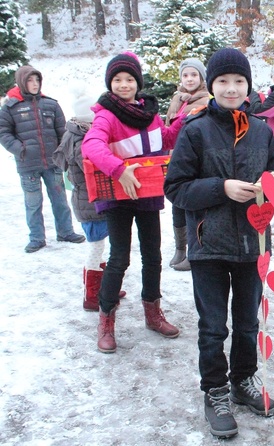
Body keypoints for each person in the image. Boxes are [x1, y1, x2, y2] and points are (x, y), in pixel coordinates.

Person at [164, 48, 274, 439]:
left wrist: (270, 187)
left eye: (239, 81)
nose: (232, 88)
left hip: (253, 244)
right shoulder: (194, 130)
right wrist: (222, 188)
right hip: (208, 245)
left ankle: (242, 380)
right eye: (223, 82)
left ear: (249, 86)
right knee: (214, 326)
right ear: (211, 86)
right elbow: (175, 188)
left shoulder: (263, 131)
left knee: (248, 323)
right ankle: (214, 390)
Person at [82, 52, 184, 353]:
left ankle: (153, 313)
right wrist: (119, 169)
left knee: (153, 256)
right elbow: (92, 145)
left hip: (148, 193)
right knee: (119, 258)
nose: (124, 85)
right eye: (117, 80)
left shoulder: (148, 113)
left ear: (137, 82)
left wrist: (184, 121)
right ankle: (106, 320)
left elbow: (163, 139)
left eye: (129, 79)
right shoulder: (106, 115)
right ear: (110, 83)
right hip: (118, 198)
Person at [53, 92, 127, 311]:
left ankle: (105, 287)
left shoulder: (75, 131)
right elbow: (94, 167)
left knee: (101, 246)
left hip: (90, 201)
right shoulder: (82, 138)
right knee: (96, 248)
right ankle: (92, 295)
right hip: (90, 203)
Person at [0, 65, 86, 253]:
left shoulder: (51, 104)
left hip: (52, 164)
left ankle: (65, 231)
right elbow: (4, 133)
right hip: (28, 165)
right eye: (30, 80)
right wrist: (20, 150)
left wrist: (62, 153)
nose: (34, 84)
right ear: (22, 82)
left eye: (37, 80)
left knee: (60, 199)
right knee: (33, 203)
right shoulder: (10, 107)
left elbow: (63, 132)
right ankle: (37, 238)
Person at [165, 58, 210, 272]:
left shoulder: (206, 99)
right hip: (176, 158)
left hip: (196, 159)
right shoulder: (177, 99)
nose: (189, 79)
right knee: (176, 205)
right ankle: (180, 248)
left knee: (192, 206)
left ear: (201, 78)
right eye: (185, 75)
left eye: (194, 75)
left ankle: (194, 250)